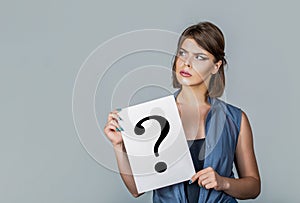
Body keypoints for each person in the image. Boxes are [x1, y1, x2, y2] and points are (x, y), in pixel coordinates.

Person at [104, 21, 261, 202]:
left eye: (199, 57)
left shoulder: (235, 119)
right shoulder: (153, 116)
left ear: (216, 66)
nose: (186, 63)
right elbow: (136, 190)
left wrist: (223, 182)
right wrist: (119, 146)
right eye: (182, 53)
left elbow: (253, 186)